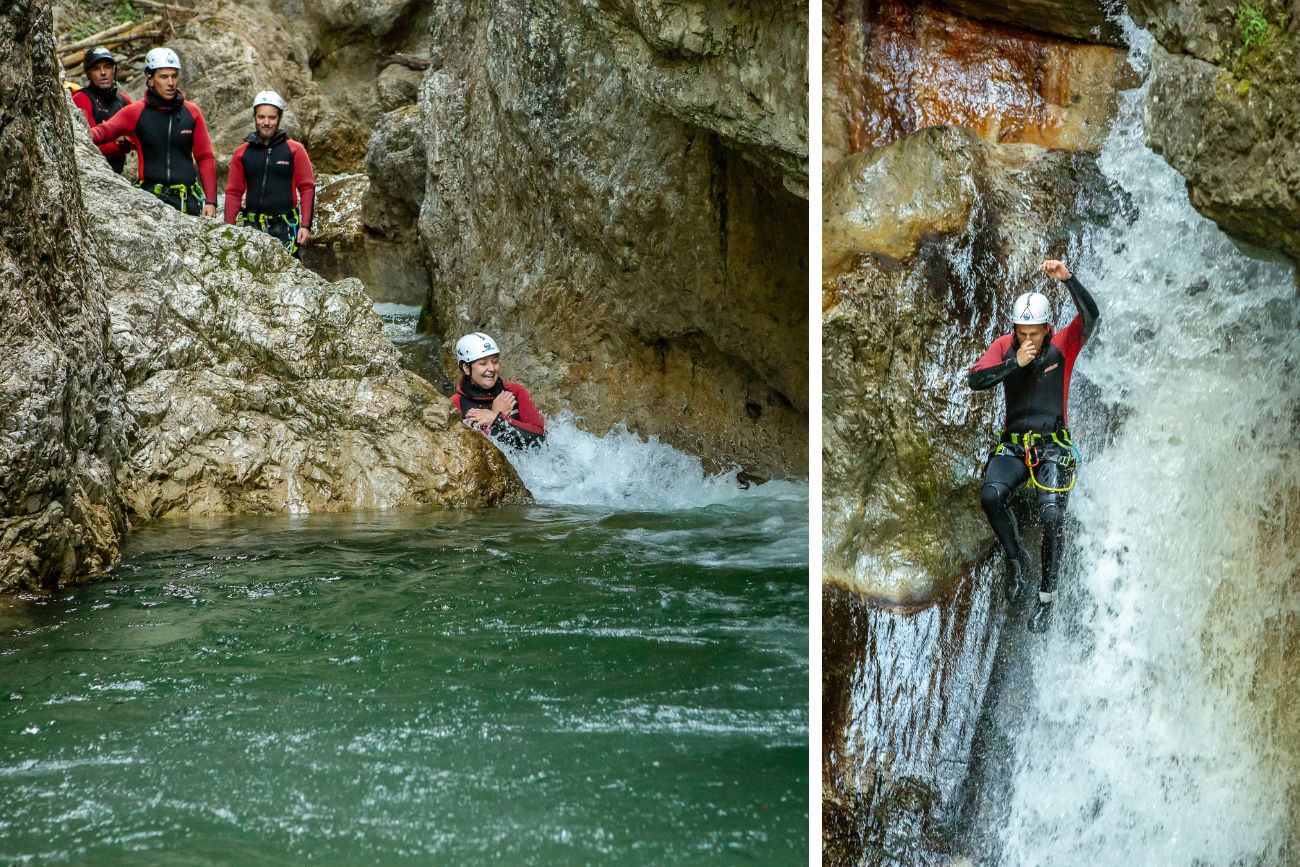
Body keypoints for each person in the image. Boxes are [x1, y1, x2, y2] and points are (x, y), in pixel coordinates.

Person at [967, 259, 1099, 632]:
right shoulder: (1005, 348)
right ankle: (1017, 560)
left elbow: (1092, 316)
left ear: (1046, 328)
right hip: (1015, 445)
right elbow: (975, 381)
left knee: (1053, 516)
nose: (1028, 340)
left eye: (1034, 334)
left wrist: (1069, 280)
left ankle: (1046, 600)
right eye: (1021, 333)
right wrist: (1014, 365)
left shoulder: (1062, 346)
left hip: (1053, 446)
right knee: (991, 496)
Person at [89, 47, 216, 216]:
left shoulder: (192, 113)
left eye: (174, 76)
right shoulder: (135, 112)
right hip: (150, 200)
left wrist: (211, 201)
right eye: (163, 77)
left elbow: (205, 156)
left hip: (186, 201)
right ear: (150, 79)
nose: (170, 82)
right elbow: (101, 133)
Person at [223, 91, 315, 257]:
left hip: (285, 228)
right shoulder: (242, 153)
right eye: (261, 117)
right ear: (254, 117)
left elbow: (307, 187)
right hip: (252, 227)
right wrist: (228, 230)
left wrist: (305, 225)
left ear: (279, 118)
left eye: (272, 118)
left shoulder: (295, 150)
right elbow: (233, 193)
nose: (266, 122)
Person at [450, 333, 546, 449]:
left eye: (495, 362)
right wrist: (494, 420)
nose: (492, 368)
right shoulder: (455, 404)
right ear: (466, 368)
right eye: (483, 363)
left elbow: (541, 438)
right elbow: (466, 453)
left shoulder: (515, 391)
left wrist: (497, 419)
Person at [71, 46, 133, 174]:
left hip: (118, 173)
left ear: (113, 70)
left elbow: (139, 137)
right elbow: (89, 146)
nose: (103, 73)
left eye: (107, 67)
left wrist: (125, 141)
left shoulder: (123, 101)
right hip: (93, 174)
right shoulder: (81, 99)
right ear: (88, 74)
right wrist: (122, 145)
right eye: (96, 69)